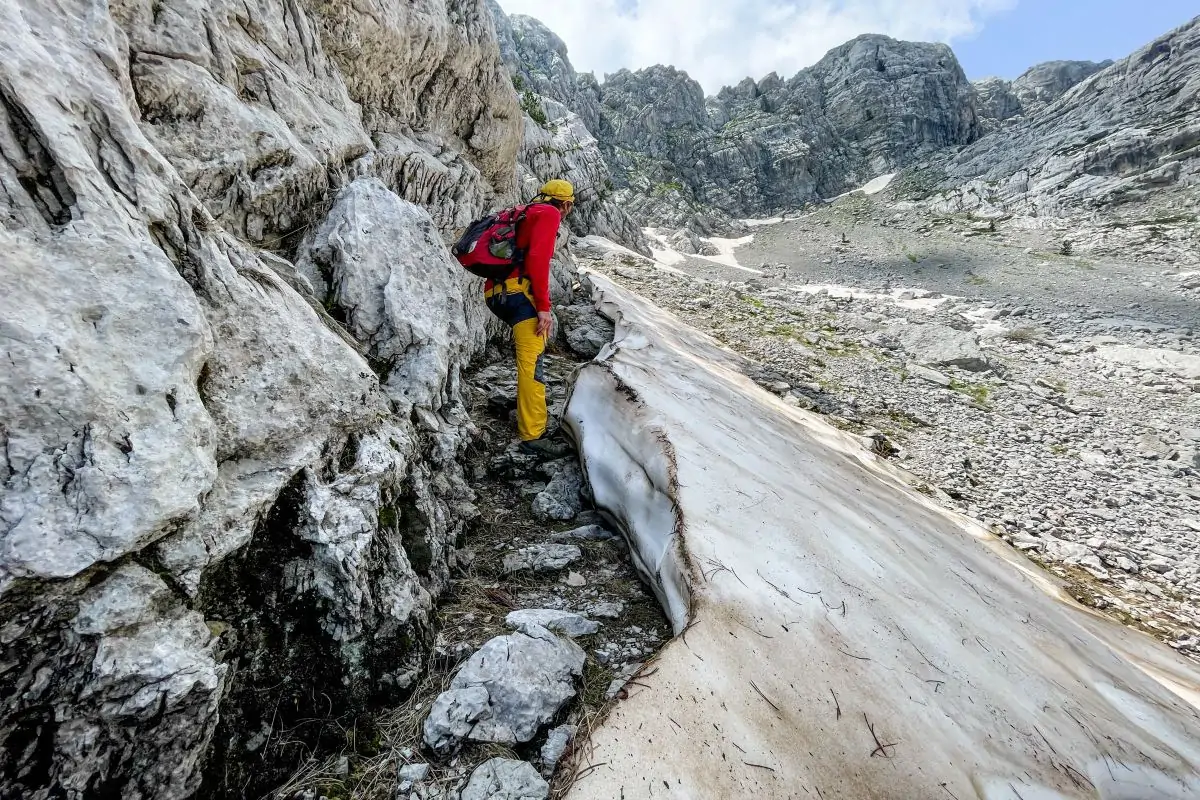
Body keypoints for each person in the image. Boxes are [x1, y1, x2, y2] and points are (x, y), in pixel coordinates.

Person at [484, 179, 574, 456]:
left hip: (495, 294)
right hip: (519, 295)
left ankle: (525, 408)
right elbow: (538, 259)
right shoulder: (550, 214)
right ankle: (533, 435)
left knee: (531, 360)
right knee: (532, 364)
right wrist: (544, 307)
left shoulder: (525, 211)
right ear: (566, 204)